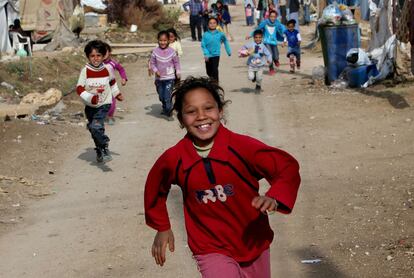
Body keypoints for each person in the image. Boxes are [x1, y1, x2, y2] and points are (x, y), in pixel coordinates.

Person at [144, 76, 301, 278]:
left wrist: (275, 196)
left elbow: (286, 167)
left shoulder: (241, 147)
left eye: (208, 108)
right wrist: (162, 226)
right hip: (209, 246)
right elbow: (155, 187)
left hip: (252, 240)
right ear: (182, 120)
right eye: (191, 112)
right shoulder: (175, 158)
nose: (201, 116)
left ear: (220, 111)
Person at [76, 40, 123, 163]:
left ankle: (104, 144)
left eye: (98, 55)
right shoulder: (85, 70)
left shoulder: (107, 69)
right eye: (92, 56)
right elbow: (79, 88)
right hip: (90, 106)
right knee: (94, 129)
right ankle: (99, 149)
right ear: (88, 56)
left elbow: (112, 82)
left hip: (104, 104)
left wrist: (116, 93)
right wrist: (90, 98)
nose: (95, 58)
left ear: (103, 56)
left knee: (96, 127)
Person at [150, 30, 181, 119]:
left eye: (165, 40)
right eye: (161, 40)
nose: (163, 42)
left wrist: (178, 72)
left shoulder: (172, 51)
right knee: (161, 96)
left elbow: (176, 63)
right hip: (159, 79)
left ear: (168, 41)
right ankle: (164, 107)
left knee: (167, 95)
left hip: (169, 77)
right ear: (158, 40)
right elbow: (152, 63)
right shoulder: (155, 52)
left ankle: (169, 109)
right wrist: (156, 70)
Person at [247, 10, 285, 75]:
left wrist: (286, 37)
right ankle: (271, 68)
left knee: (276, 56)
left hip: (274, 42)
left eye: (274, 17)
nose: (272, 18)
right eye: (271, 16)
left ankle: (276, 60)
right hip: (267, 42)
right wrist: (250, 35)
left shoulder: (277, 23)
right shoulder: (265, 23)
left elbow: (283, 30)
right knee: (269, 54)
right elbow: (258, 29)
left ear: (276, 17)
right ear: (269, 16)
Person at [102, 42, 128, 125]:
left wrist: (124, 78)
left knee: (112, 102)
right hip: (100, 87)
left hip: (111, 85)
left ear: (109, 52)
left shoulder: (113, 63)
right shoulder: (97, 64)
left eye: (105, 51)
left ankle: (110, 116)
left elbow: (121, 69)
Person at [201, 17, 232, 82]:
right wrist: (206, 53)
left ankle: (215, 84)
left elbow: (225, 41)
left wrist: (228, 51)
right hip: (208, 55)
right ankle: (212, 80)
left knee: (215, 70)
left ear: (217, 24)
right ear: (208, 24)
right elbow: (203, 45)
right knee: (209, 72)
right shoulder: (205, 35)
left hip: (216, 54)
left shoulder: (220, 34)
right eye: (210, 23)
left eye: (214, 23)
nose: (212, 24)